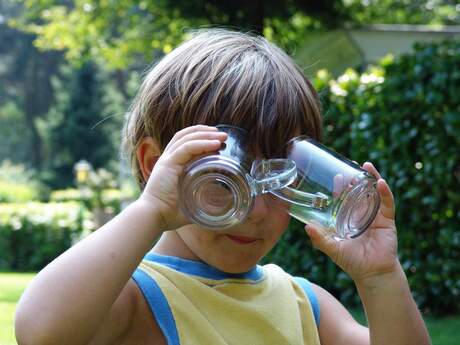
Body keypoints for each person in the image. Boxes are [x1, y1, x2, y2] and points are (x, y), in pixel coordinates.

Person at [15, 29, 431, 345]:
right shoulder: (132, 296)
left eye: (279, 180)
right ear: (155, 166)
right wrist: (151, 209)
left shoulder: (306, 305)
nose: (256, 210)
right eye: (227, 179)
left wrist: (380, 277)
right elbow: (40, 331)